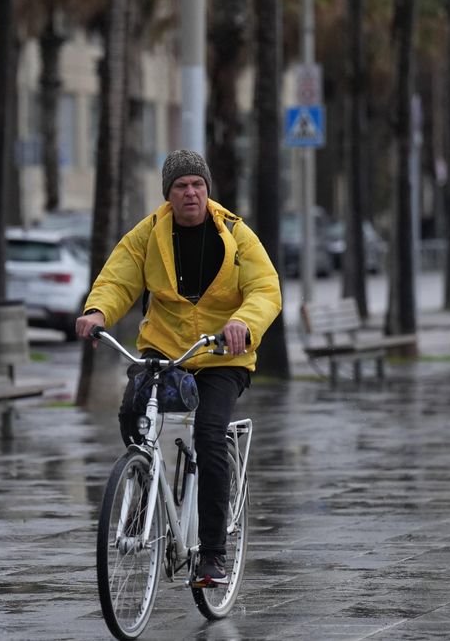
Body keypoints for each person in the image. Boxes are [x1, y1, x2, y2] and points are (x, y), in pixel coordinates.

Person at [75, 149, 282, 588]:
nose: (191, 193)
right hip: (166, 351)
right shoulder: (148, 234)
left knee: (209, 434)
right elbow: (118, 278)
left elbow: (265, 288)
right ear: (168, 194)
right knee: (133, 413)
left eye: (198, 185)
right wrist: (97, 311)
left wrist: (243, 322)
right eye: (182, 186)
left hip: (223, 356)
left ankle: (212, 555)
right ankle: (141, 484)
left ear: (208, 190)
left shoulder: (235, 234)